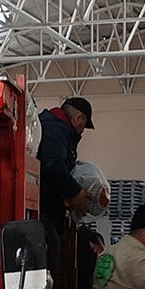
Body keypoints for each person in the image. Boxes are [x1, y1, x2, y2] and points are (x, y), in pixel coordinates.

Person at [36, 96, 94, 259]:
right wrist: (75, 192)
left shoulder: (54, 127)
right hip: (43, 207)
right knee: (49, 247)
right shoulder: (55, 129)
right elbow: (53, 165)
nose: (82, 131)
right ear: (79, 118)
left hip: (48, 207)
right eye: (84, 126)